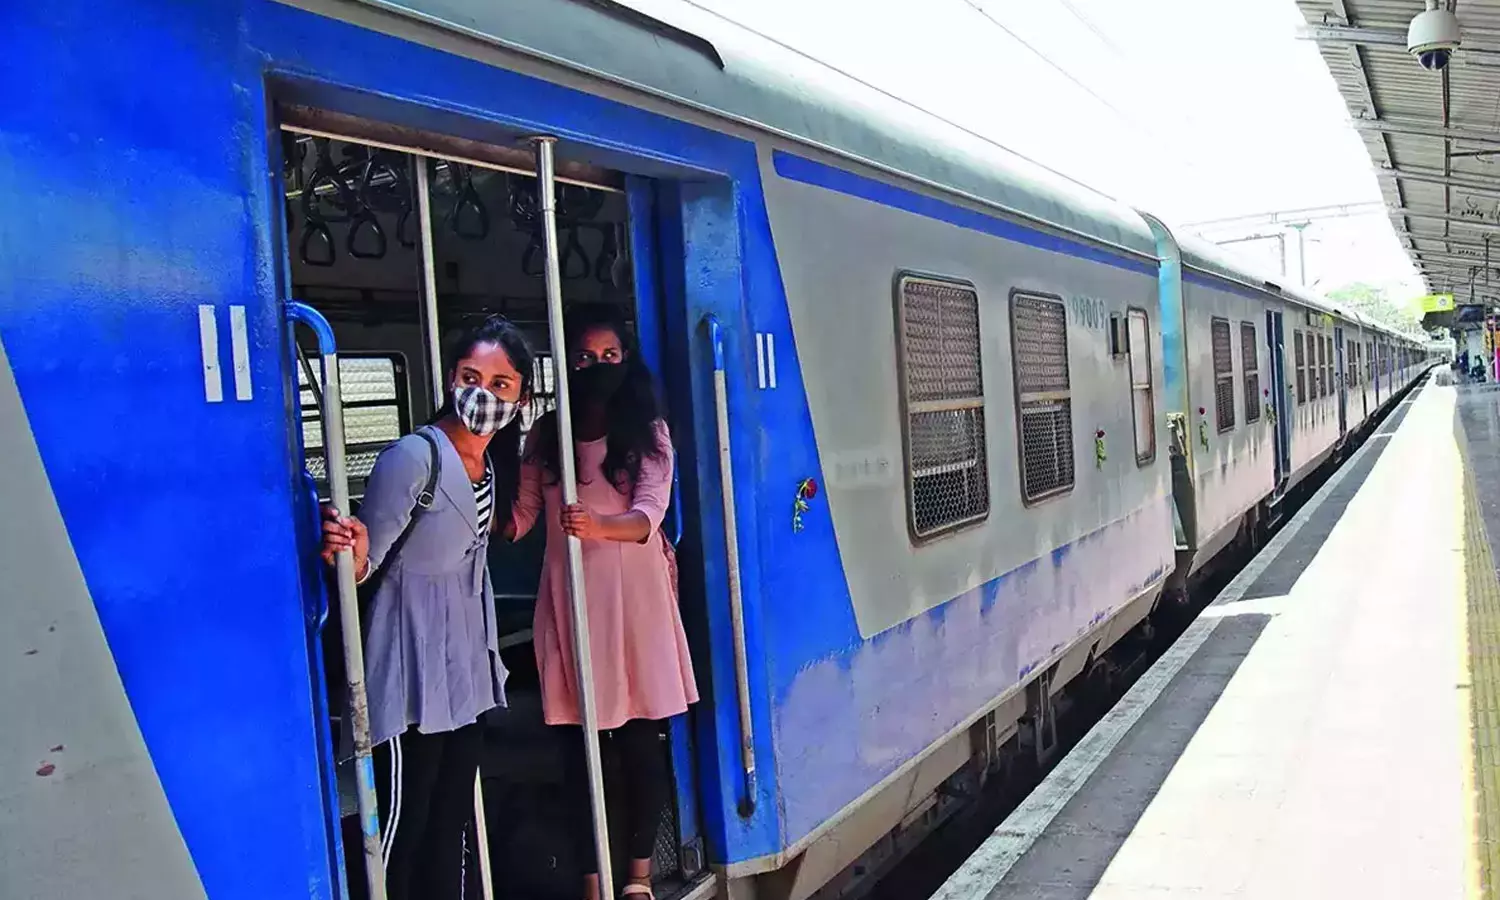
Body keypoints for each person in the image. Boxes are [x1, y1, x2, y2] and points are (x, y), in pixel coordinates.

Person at [320, 315, 534, 900]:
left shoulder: (492, 465)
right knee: (402, 828)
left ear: (520, 398)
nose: (482, 395)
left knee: (448, 824)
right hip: (409, 667)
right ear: (451, 378)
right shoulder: (414, 457)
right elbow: (367, 561)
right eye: (470, 377)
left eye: (500, 384)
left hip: (464, 672)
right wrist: (352, 550)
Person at [509, 304, 698, 900]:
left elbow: (648, 517)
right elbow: (521, 517)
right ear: (568, 366)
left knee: (640, 745)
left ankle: (637, 878)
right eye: (585, 358)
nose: (598, 366)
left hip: (636, 606)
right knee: (577, 752)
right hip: (571, 605)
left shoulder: (648, 433)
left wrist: (596, 526)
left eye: (609, 356)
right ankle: (593, 882)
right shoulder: (546, 436)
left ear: (627, 359)